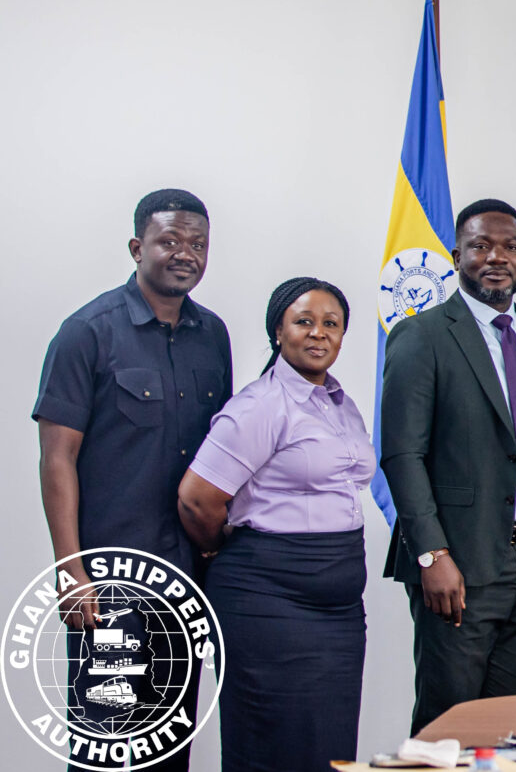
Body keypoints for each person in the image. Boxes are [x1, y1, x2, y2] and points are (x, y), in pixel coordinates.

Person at [34, 188, 229, 772]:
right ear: (136, 247)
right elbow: (57, 459)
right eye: (169, 240)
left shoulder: (213, 334)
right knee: (108, 744)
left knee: (169, 746)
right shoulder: (87, 332)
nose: (185, 253)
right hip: (111, 584)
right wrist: (71, 571)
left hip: (186, 584)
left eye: (198, 243)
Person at [177, 277, 372, 772]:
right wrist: (215, 549)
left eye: (331, 323)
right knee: (271, 749)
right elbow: (197, 499)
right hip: (267, 604)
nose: (318, 333)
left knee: (327, 749)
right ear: (278, 332)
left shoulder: (341, 404)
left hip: (339, 612)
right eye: (304, 321)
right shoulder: (260, 405)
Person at [381, 198, 516, 733]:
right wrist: (432, 554)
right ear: (457, 256)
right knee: (448, 725)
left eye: (511, 246)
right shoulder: (424, 334)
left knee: (507, 727)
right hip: (458, 559)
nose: (497, 257)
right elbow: (402, 454)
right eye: (481, 246)